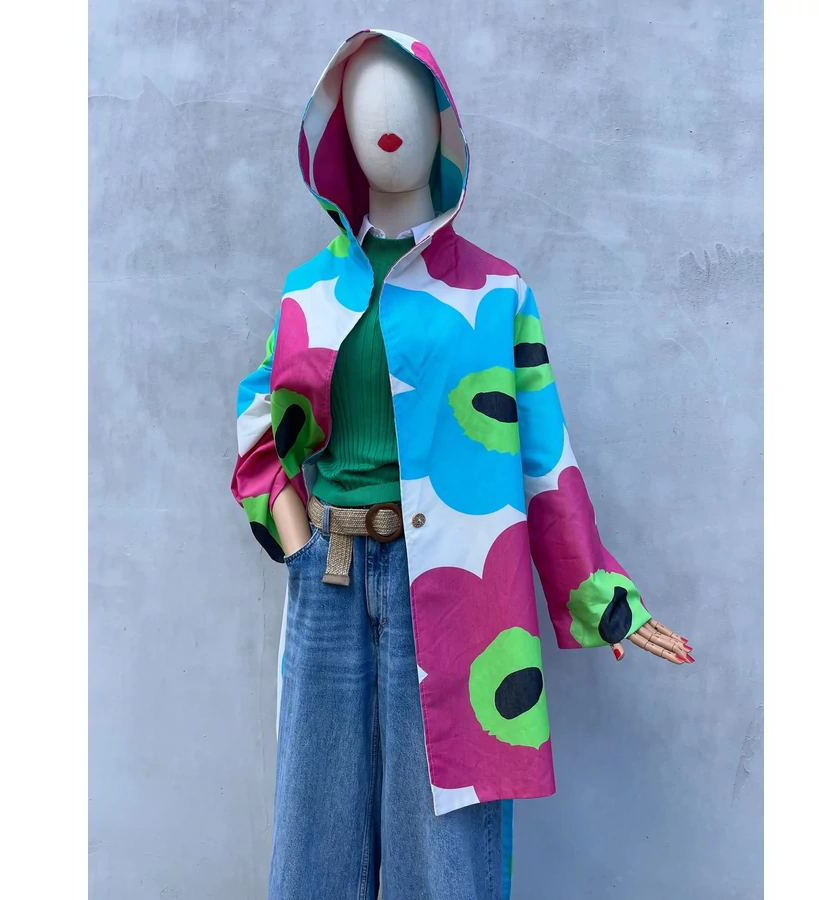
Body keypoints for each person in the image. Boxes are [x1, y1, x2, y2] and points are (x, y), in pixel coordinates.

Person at [231, 28, 693, 900]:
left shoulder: (497, 294)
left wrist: (604, 599)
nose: (387, 118)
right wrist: (295, 541)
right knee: (315, 834)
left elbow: (544, 459)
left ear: (442, 124)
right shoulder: (308, 292)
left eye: (408, 100)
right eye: (365, 102)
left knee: (445, 850)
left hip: (452, 585)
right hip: (327, 577)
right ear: (338, 132)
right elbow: (261, 421)